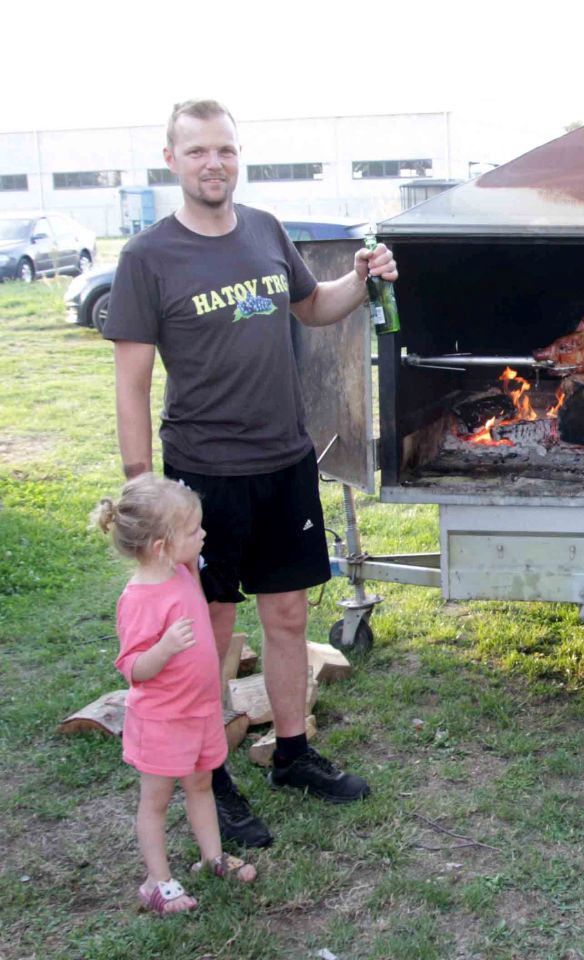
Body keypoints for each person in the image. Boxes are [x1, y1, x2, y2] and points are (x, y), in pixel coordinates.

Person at [103, 99, 398, 848]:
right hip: (205, 474)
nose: (214, 164)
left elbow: (314, 306)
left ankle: (293, 753)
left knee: (289, 614)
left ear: (240, 156)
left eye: (226, 150)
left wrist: (362, 281)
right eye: (198, 151)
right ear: (172, 161)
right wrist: (143, 485)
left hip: (285, 458)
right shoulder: (148, 257)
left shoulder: (266, 231)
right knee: (211, 629)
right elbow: (131, 381)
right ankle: (215, 775)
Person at [91, 475, 259, 915]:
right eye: (193, 531)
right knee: (157, 801)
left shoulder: (184, 570)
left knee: (202, 783)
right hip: (164, 720)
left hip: (199, 709)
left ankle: (212, 858)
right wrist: (163, 649)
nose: (203, 534)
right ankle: (156, 882)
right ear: (162, 546)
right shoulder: (139, 599)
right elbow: (133, 669)